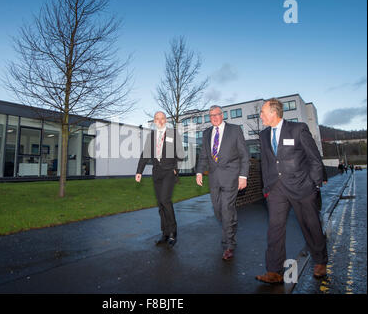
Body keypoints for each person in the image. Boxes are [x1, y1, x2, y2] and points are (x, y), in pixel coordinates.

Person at [256, 98, 328, 284]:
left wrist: (314, 184)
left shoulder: (298, 129)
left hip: (302, 187)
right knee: (275, 229)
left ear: (274, 113)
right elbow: (265, 162)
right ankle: (274, 271)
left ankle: (320, 261)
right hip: (276, 189)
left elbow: (314, 157)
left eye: (263, 112)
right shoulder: (263, 135)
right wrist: (266, 188)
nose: (261, 116)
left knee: (310, 225)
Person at [196, 105, 249, 260]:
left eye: (216, 114)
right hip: (214, 178)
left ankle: (229, 244)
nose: (214, 117)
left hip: (231, 177)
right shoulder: (206, 133)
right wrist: (199, 171)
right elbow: (204, 155)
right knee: (218, 209)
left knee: (226, 208)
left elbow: (244, 155)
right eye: (211, 115)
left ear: (222, 115)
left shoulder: (234, 130)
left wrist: (243, 176)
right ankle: (231, 224)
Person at [135, 111, 184, 248]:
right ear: (154, 121)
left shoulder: (173, 133)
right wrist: (139, 171)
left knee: (165, 200)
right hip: (156, 173)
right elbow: (145, 155)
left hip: (169, 171)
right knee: (160, 204)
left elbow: (180, 153)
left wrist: (176, 169)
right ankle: (165, 233)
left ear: (166, 120)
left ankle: (174, 231)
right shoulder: (151, 136)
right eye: (157, 119)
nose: (160, 121)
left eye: (162, 118)